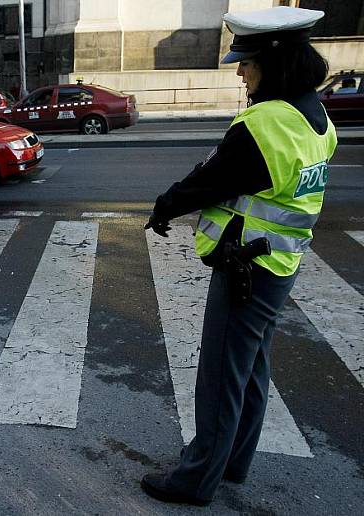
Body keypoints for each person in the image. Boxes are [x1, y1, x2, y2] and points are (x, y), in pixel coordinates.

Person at [141, 6, 336, 506]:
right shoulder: (313, 116)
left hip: (245, 265)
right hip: (278, 264)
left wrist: (166, 204)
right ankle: (233, 461)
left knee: (221, 376)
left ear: (275, 61)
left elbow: (213, 178)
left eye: (247, 61)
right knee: (250, 367)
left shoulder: (267, 122)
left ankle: (195, 479)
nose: (240, 70)